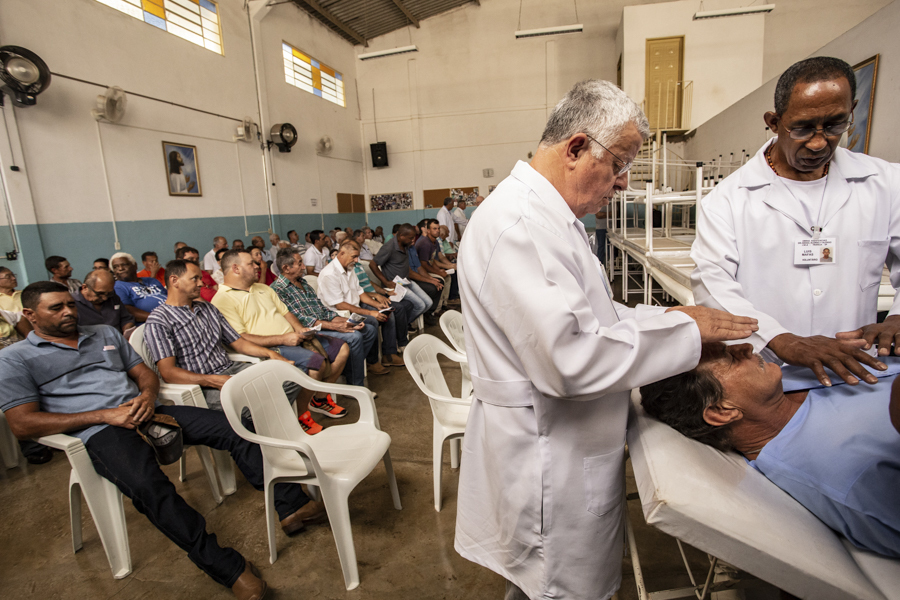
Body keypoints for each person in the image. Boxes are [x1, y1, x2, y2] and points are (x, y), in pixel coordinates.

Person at [454, 79, 758, 600]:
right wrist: (685, 333)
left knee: (542, 587)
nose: (623, 182)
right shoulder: (519, 225)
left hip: (566, 446)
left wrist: (671, 316)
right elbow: (570, 361)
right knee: (560, 588)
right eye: (619, 164)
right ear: (576, 148)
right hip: (549, 457)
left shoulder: (552, 218)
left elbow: (596, 314)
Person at [0, 281, 318, 598]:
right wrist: (104, 415)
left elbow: (144, 373)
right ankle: (225, 566)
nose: (68, 311)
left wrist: (148, 396)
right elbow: (23, 424)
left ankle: (292, 506)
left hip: (148, 410)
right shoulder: (15, 358)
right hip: (100, 430)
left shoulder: (104, 334)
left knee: (237, 427)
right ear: (30, 314)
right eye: (56, 308)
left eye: (70, 304)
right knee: (149, 488)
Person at [691, 56, 900, 387]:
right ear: (774, 122)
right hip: (772, 374)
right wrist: (779, 338)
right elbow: (712, 284)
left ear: (852, 111)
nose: (818, 142)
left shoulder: (885, 183)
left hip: (857, 372)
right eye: (802, 128)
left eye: (835, 125)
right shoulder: (728, 200)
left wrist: (897, 317)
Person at [640, 342, 900, 558]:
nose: (746, 347)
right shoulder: (850, 478)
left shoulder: (788, 378)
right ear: (722, 411)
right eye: (729, 358)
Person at [211, 250, 350, 434]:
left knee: (342, 348)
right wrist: (283, 339)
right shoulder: (223, 299)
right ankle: (302, 415)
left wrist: (299, 329)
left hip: (293, 337)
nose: (258, 265)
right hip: (272, 346)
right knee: (316, 363)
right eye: (251, 263)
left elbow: (286, 313)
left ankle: (320, 398)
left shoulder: (263, 288)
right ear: (235, 268)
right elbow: (241, 338)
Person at [272, 247, 390, 383]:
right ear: (286, 268)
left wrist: (346, 320)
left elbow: (323, 310)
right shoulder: (278, 290)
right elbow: (302, 319)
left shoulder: (303, 283)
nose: (304, 267)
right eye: (299, 263)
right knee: (354, 336)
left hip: (324, 323)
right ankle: (356, 383)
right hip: (311, 331)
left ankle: (346, 369)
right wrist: (336, 326)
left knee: (368, 329)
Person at [316, 241, 405, 368]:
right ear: (342, 253)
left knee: (387, 314)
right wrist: (371, 313)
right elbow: (340, 305)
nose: (356, 260)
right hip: (340, 313)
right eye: (354, 257)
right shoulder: (329, 274)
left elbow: (360, 293)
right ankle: (372, 361)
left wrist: (377, 305)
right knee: (373, 320)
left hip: (355, 307)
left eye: (357, 257)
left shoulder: (349, 268)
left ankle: (389, 354)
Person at [371, 224, 437, 326]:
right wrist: (386, 282)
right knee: (420, 305)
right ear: (401, 236)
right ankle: (402, 326)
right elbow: (372, 264)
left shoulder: (405, 245)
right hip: (395, 285)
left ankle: (404, 323)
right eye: (410, 238)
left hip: (406, 281)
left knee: (429, 303)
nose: (412, 240)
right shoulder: (389, 247)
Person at [74, 269, 135, 335]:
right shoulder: (72, 304)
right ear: (85, 287)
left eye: (109, 293)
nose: (105, 298)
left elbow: (126, 319)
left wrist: (127, 330)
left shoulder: (112, 297)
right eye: (100, 294)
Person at [111, 252, 167, 323]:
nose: (120, 268)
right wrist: (159, 318)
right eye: (115, 267)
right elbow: (127, 311)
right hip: (153, 322)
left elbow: (170, 297)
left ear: (135, 265)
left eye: (124, 265)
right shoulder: (118, 286)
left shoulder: (152, 280)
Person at [415, 219, 456, 312]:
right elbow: (424, 265)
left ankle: (444, 304)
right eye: (434, 229)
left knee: (447, 277)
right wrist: (438, 273)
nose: (437, 231)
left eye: (438, 228)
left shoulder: (435, 242)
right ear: (428, 230)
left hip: (428, 268)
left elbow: (432, 260)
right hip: (421, 271)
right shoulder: (425, 243)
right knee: (441, 279)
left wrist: (440, 270)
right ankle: (436, 310)